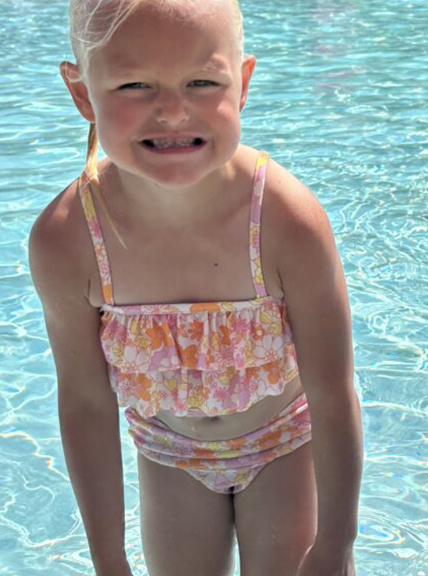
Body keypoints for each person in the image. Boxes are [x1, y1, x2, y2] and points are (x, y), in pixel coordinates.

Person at [28, 1, 362, 575]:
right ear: (82, 93)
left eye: (202, 81)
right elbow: (85, 401)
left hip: (282, 444)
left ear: (244, 82)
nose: (173, 111)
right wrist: (109, 559)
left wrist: (336, 541)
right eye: (135, 85)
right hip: (169, 454)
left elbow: (333, 391)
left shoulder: (286, 221)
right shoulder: (70, 241)